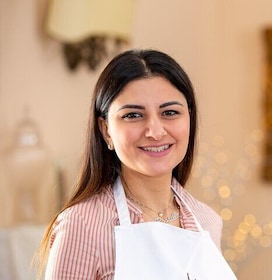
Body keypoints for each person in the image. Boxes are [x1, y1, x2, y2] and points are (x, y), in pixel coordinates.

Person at [36, 49, 237, 279]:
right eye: (133, 115)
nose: (155, 131)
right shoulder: (82, 225)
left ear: (189, 119)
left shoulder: (207, 220)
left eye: (170, 112)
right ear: (106, 131)